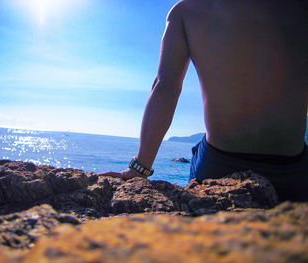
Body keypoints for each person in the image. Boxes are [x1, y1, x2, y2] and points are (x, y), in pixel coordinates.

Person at [99, 0, 308, 201]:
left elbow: (165, 87)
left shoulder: (188, 10)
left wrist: (140, 169)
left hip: (221, 166)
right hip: (294, 169)